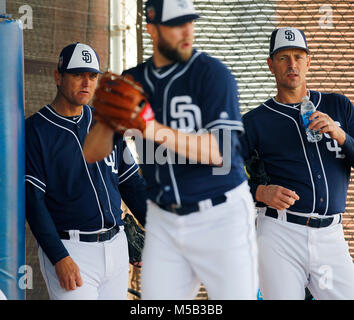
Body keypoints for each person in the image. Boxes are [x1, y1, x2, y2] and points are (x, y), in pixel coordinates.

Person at [83, 0, 258, 300]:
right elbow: (91, 153)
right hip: (163, 219)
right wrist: (108, 121)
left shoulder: (212, 74)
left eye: (189, 21)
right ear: (152, 29)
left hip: (220, 214)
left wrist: (150, 127)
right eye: (176, 24)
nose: (187, 30)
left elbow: (222, 152)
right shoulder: (133, 81)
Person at [25, 42, 147, 300]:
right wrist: (59, 257)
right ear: (58, 77)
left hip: (116, 247)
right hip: (72, 251)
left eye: (92, 76)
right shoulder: (36, 131)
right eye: (78, 74)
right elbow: (33, 202)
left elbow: (131, 184)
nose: (86, 82)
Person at [240, 27, 354, 299]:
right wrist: (259, 192)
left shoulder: (338, 106)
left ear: (308, 61)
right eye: (283, 57)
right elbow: (222, 179)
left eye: (298, 56)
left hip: (331, 235)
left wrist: (340, 135)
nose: (292, 64)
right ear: (271, 65)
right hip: (280, 233)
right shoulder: (255, 121)